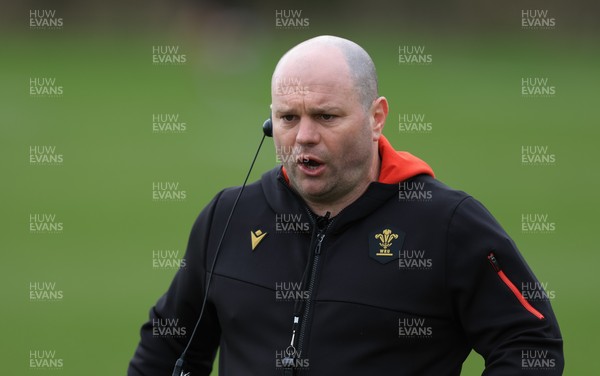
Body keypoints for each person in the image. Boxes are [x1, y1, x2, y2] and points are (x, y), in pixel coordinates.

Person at [128, 35, 564, 375]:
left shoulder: (446, 224)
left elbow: (530, 344)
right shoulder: (229, 216)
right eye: (288, 118)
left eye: (326, 116)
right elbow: (168, 346)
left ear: (376, 117)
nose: (303, 137)